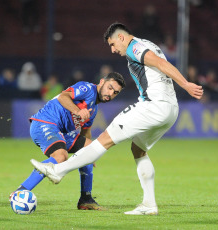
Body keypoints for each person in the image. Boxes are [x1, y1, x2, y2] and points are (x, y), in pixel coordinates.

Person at [30, 22, 203, 215]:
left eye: (113, 44)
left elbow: (162, 64)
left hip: (153, 105)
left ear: (121, 37)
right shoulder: (147, 43)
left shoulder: (134, 48)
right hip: (170, 109)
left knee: (104, 140)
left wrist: (186, 84)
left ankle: (57, 171)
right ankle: (149, 204)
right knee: (138, 149)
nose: (113, 50)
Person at [11, 72, 125, 210]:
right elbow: (63, 97)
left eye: (115, 92)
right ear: (102, 82)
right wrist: (77, 111)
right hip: (44, 123)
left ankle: (86, 199)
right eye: (110, 87)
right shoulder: (87, 88)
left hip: (62, 132)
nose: (110, 93)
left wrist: (90, 154)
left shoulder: (94, 109)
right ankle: (19, 192)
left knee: (91, 148)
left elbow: (85, 132)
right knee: (61, 156)